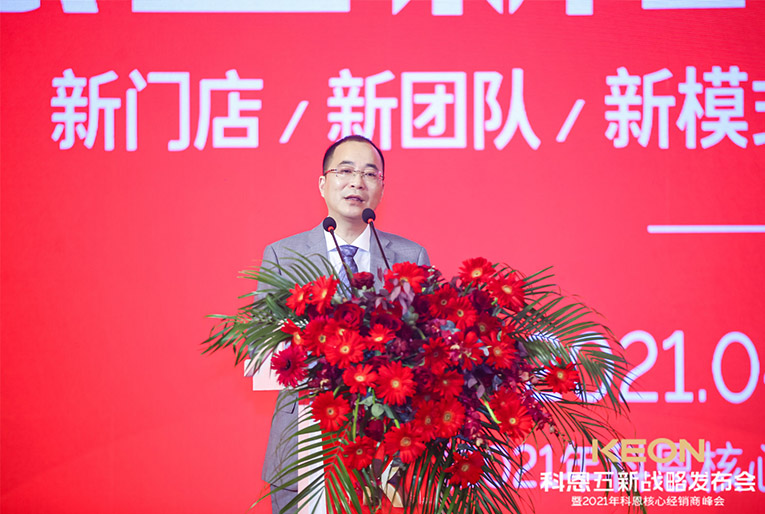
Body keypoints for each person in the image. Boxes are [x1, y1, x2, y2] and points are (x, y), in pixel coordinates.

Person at [260, 135, 430, 513]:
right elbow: (259, 346)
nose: (357, 182)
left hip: (385, 450)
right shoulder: (283, 255)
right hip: (303, 443)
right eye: (346, 171)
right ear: (323, 183)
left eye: (370, 174)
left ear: (381, 188)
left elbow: (425, 345)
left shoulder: (409, 256)